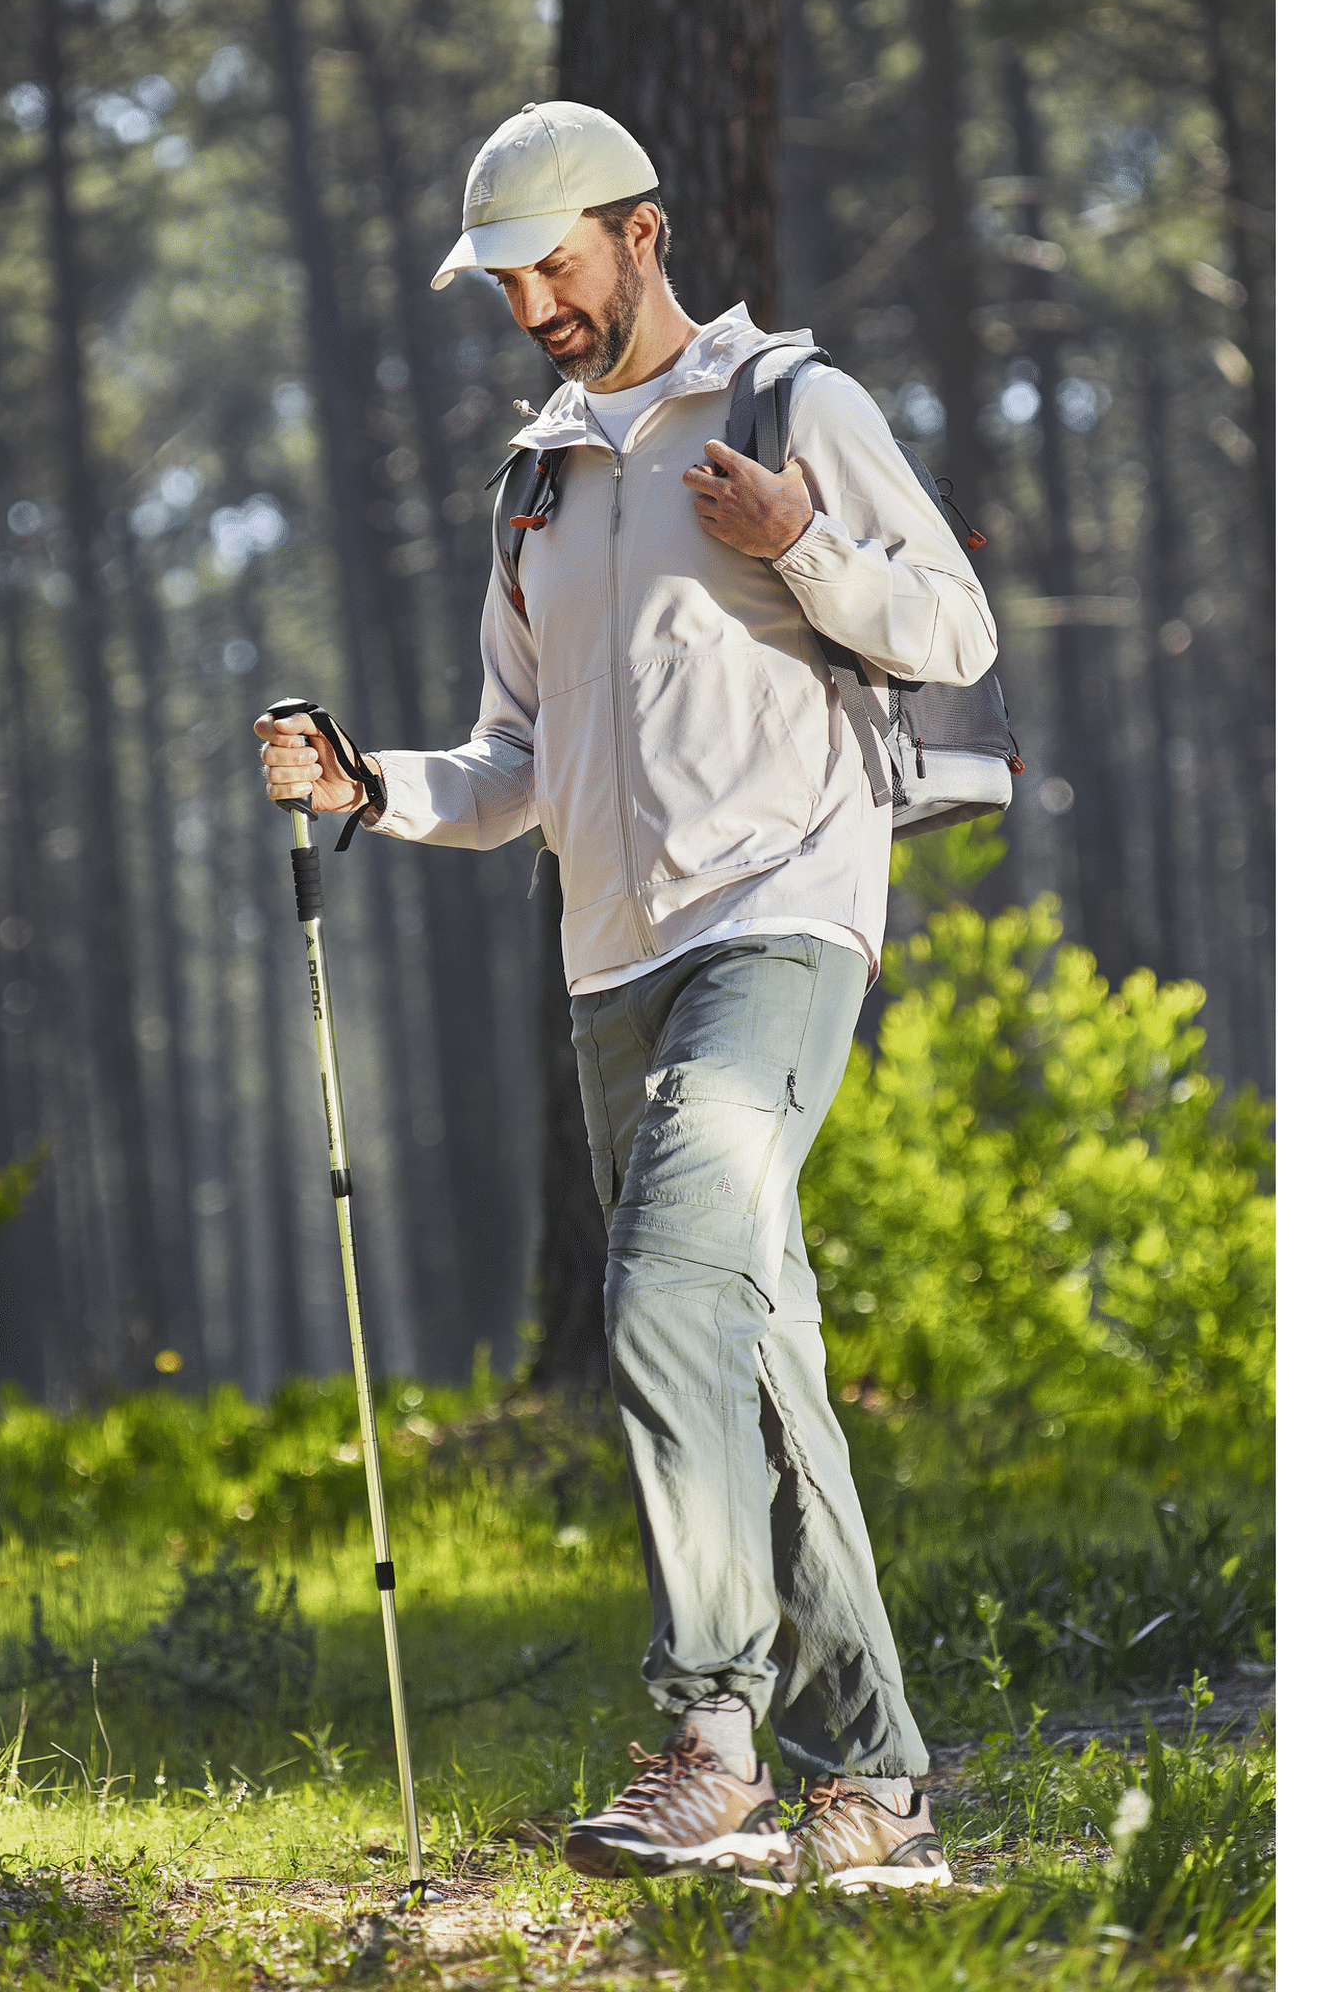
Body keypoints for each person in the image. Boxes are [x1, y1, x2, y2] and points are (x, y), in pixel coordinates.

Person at [257, 100, 997, 1893]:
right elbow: (517, 763)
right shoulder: (539, 480)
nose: (534, 307)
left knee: (665, 1281)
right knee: (749, 1347)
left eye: (557, 266)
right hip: (615, 961)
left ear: (643, 233)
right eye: (508, 282)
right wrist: (371, 785)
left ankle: (714, 1733)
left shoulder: (789, 409)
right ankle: (880, 1787)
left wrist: (805, 540)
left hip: (786, 918)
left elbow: (956, 631)